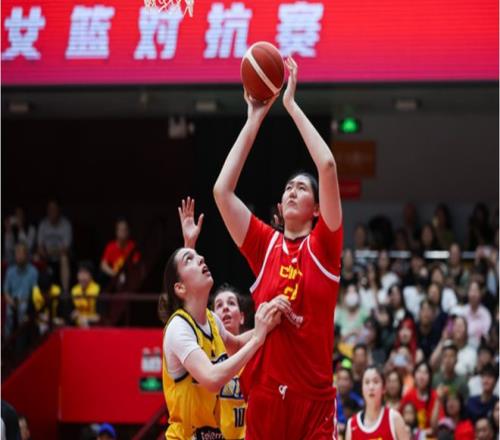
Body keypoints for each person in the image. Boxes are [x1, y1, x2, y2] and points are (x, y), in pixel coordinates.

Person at [213, 56, 343, 439]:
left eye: (302, 188)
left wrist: (290, 105)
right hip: (268, 395)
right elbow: (222, 191)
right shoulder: (264, 244)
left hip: (314, 403)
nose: (292, 191)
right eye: (288, 188)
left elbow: (328, 166)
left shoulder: (325, 246)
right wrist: (254, 118)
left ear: (317, 210)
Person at [160, 198, 283, 439]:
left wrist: (269, 324)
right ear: (180, 288)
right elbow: (211, 378)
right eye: (191, 260)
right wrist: (257, 338)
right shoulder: (178, 327)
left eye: (198, 257)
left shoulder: (211, 320)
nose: (201, 259)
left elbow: (235, 344)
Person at [212, 284, 248, 440]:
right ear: (213, 319)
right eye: (219, 305)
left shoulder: (255, 352)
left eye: (231, 303)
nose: (225, 308)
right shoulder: (205, 356)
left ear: (242, 317)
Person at [345, 365, 409, 440]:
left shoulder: (394, 418)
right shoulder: (351, 424)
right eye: (367, 382)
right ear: (362, 388)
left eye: (375, 382)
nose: (371, 387)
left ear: (384, 388)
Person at [3, 242, 38, 338]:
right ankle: (7, 341)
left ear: (26, 255)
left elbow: (35, 293)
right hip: (12, 300)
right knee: (9, 312)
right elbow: (5, 291)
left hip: (26, 301)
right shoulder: (10, 271)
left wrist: (22, 301)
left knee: (22, 309)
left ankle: (21, 339)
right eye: (16, 254)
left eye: (20, 254)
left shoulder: (33, 271)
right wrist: (11, 301)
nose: (18, 256)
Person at [37, 200, 72, 292]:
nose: (51, 212)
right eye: (49, 209)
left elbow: (66, 249)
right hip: (46, 256)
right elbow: (40, 246)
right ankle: (38, 290)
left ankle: (65, 291)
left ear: (59, 210)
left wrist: (50, 251)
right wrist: (43, 252)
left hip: (60, 257)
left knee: (64, 258)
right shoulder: (43, 224)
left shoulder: (66, 224)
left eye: (54, 209)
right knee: (36, 257)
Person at [400, 361, 443, 433]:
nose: (422, 376)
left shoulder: (435, 396)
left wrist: (422, 433)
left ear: (430, 377)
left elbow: (436, 427)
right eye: (419, 372)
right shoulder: (408, 395)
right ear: (414, 375)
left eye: (425, 373)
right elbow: (400, 419)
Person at [100, 218, 141, 286]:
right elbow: (103, 265)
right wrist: (115, 274)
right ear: (116, 232)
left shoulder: (133, 246)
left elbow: (136, 264)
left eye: (125, 230)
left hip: (130, 280)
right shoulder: (111, 247)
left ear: (128, 232)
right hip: (115, 280)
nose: (123, 232)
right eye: (120, 230)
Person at [70, 261, 101, 327]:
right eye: (80, 273)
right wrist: (73, 314)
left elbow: (99, 317)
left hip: (93, 326)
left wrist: (86, 318)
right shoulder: (74, 291)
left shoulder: (98, 290)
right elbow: (71, 314)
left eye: (85, 273)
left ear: (91, 276)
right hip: (76, 326)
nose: (82, 277)